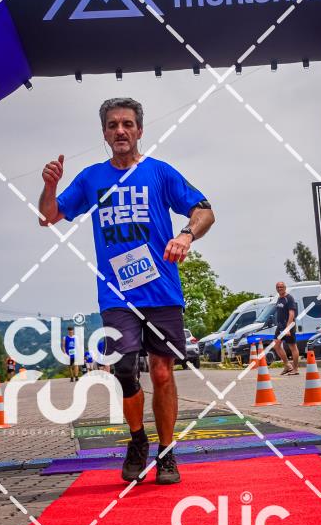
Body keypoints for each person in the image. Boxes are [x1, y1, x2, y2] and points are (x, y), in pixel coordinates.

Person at [38, 97, 215, 485]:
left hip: (162, 291)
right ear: (104, 133)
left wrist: (186, 235)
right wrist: (50, 186)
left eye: (127, 124)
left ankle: (166, 453)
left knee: (162, 372)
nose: (120, 130)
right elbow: (48, 216)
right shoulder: (91, 179)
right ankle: (138, 440)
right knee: (123, 370)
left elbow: (204, 210)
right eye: (113, 125)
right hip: (116, 294)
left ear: (139, 130)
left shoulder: (159, 173)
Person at [271, 282, 300, 376]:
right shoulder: (279, 298)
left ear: (285, 288)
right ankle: (287, 365)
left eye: (281, 287)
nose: (280, 288)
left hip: (288, 326)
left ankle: (295, 369)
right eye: (278, 287)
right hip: (280, 326)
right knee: (276, 345)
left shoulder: (289, 298)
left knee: (293, 347)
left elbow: (292, 313)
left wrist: (288, 328)